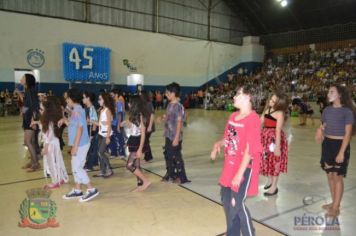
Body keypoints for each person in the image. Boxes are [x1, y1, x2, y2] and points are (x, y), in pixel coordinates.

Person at [211, 84, 262, 236]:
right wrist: (218, 144)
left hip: (244, 168)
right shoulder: (233, 117)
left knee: (237, 203)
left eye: (237, 94)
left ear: (248, 97)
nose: (234, 97)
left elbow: (250, 149)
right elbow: (228, 138)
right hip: (230, 167)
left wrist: (239, 175)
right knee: (227, 202)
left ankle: (249, 233)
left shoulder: (253, 119)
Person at [315, 84, 355, 217]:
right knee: (330, 176)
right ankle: (334, 202)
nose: (328, 94)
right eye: (328, 91)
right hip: (327, 144)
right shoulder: (326, 110)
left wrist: (341, 152)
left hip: (340, 145)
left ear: (339, 95)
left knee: (338, 177)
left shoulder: (347, 112)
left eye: (332, 92)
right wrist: (319, 131)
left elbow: (348, 134)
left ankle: (336, 207)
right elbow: (323, 126)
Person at [59, 88, 99, 202]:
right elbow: (73, 124)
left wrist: (75, 146)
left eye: (67, 98)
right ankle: (77, 190)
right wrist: (64, 120)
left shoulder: (78, 111)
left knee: (77, 167)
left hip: (80, 144)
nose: (66, 100)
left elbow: (80, 129)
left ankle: (91, 189)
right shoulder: (76, 110)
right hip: (78, 144)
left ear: (72, 99)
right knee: (74, 166)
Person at [33, 96, 69, 189]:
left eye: (41, 109)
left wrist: (45, 148)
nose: (40, 111)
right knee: (58, 161)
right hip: (54, 142)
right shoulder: (48, 118)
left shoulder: (48, 120)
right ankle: (60, 178)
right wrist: (36, 122)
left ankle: (55, 181)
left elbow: (49, 135)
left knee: (51, 162)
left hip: (50, 144)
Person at [260, 92, 289, 196]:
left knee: (275, 162)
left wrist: (277, 147)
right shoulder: (267, 109)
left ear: (279, 103)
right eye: (270, 100)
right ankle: (270, 179)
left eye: (273, 101)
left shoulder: (279, 113)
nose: (270, 102)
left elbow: (277, 131)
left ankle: (274, 186)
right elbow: (260, 123)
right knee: (267, 160)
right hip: (265, 138)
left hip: (274, 140)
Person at [121, 96, 151, 191]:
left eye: (130, 103)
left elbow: (143, 133)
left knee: (129, 165)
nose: (128, 104)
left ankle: (145, 182)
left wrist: (140, 149)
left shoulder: (140, 115)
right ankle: (140, 184)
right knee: (137, 165)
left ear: (134, 104)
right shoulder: (134, 115)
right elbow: (133, 126)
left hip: (137, 142)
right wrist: (125, 122)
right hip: (134, 140)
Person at [162, 82, 190, 184]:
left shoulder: (179, 106)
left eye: (167, 92)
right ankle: (171, 174)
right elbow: (169, 118)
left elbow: (179, 123)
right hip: (168, 135)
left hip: (175, 136)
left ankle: (182, 177)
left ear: (174, 93)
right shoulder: (169, 104)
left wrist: (177, 138)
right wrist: (163, 118)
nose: (166, 94)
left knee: (176, 156)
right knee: (168, 155)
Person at [19, 74, 40, 172]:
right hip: (28, 119)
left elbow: (35, 107)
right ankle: (33, 162)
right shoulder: (28, 91)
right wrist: (22, 111)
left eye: (22, 78)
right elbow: (27, 105)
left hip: (30, 120)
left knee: (27, 141)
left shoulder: (30, 91)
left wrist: (34, 121)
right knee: (30, 141)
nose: (20, 79)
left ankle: (35, 163)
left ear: (27, 80)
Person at [92, 92, 115, 178]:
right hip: (101, 134)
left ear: (104, 100)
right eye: (98, 99)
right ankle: (103, 170)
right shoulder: (102, 110)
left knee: (100, 152)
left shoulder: (107, 110)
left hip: (106, 135)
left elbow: (109, 124)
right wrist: (90, 121)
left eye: (100, 99)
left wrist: (108, 137)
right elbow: (100, 124)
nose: (98, 101)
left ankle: (109, 169)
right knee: (100, 153)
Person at [83, 91, 99, 171]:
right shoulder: (86, 108)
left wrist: (92, 135)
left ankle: (89, 165)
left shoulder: (92, 109)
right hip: (87, 132)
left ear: (88, 98)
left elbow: (95, 124)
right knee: (91, 149)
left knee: (91, 149)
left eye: (84, 97)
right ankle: (94, 162)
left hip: (92, 133)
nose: (82, 99)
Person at [108, 89, 125, 158]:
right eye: (110, 95)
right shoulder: (113, 103)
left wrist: (118, 125)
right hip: (112, 123)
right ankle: (114, 152)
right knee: (112, 138)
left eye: (112, 95)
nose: (111, 96)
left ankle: (122, 153)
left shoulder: (119, 103)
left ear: (116, 95)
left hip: (117, 123)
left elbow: (120, 115)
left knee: (119, 138)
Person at [140, 91, 155, 162]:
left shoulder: (149, 103)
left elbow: (152, 115)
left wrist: (149, 126)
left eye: (140, 94)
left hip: (148, 125)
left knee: (145, 141)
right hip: (144, 125)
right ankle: (147, 156)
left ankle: (149, 157)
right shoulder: (143, 104)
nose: (139, 95)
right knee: (145, 141)